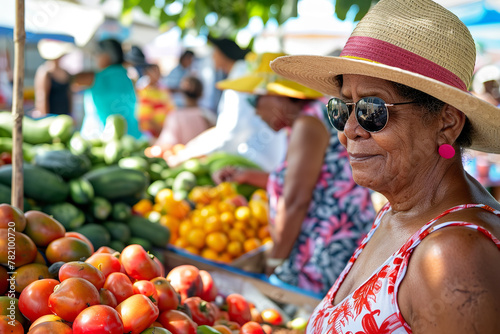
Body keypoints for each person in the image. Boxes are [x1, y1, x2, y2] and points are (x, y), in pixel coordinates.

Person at [270, 0, 500, 332]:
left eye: (372, 109)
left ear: (447, 122)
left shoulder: (452, 257)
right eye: (341, 108)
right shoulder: (399, 212)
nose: (349, 129)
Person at [212, 53, 376, 295]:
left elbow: (296, 200)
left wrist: (274, 261)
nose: (256, 113)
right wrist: (247, 176)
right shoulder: (312, 116)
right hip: (341, 240)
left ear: (277, 95)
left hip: (325, 249)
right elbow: (314, 181)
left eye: (254, 102)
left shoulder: (308, 123)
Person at [169, 37, 287, 173]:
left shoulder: (241, 79)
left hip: (257, 161)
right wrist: (191, 149)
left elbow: (231, 132)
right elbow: (227, 129)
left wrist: (189, 153)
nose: (256, 111)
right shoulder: (240, 75)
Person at [73, 39, 142, 139]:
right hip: (132, 138)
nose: (95, 58)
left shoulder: (95, 77)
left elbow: (68, 80)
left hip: (101, 139)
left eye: (97, 54)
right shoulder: (127, 77)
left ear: (107, 56)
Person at [156, 76, 214, 148]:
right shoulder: (208, 115)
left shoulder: (175, 117)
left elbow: (166, 144)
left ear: (181, 93)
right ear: (201, 93)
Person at [33, 39, 74, 116]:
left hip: (64, 115)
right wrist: (45, 118)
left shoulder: (66, 72)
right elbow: (41, 97)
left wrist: (71, 114)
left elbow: (69, 94)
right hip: (51, 117)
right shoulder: (45, 72)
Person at [136, 64, 175, 139]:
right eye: (154, 71)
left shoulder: (163, 89)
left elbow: (171, 109)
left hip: (166, 131)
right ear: (147, 73)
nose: (157, 74)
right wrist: (162, 132)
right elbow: (147, 118)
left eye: (158, 71)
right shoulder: (143, 92)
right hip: (152, 135)